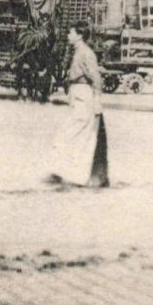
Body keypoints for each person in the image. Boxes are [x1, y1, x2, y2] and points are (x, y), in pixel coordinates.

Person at [48, 24, 110, 188]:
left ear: (79, 35)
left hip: (84, 95)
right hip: (77, 94)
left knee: (74, 134)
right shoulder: (78, 52)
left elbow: (96, 78)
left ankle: (75, 176)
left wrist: (97, 99)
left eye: (71, 32)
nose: (68, 35)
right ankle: (66, 173)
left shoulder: (86, 53)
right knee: (72, 134)